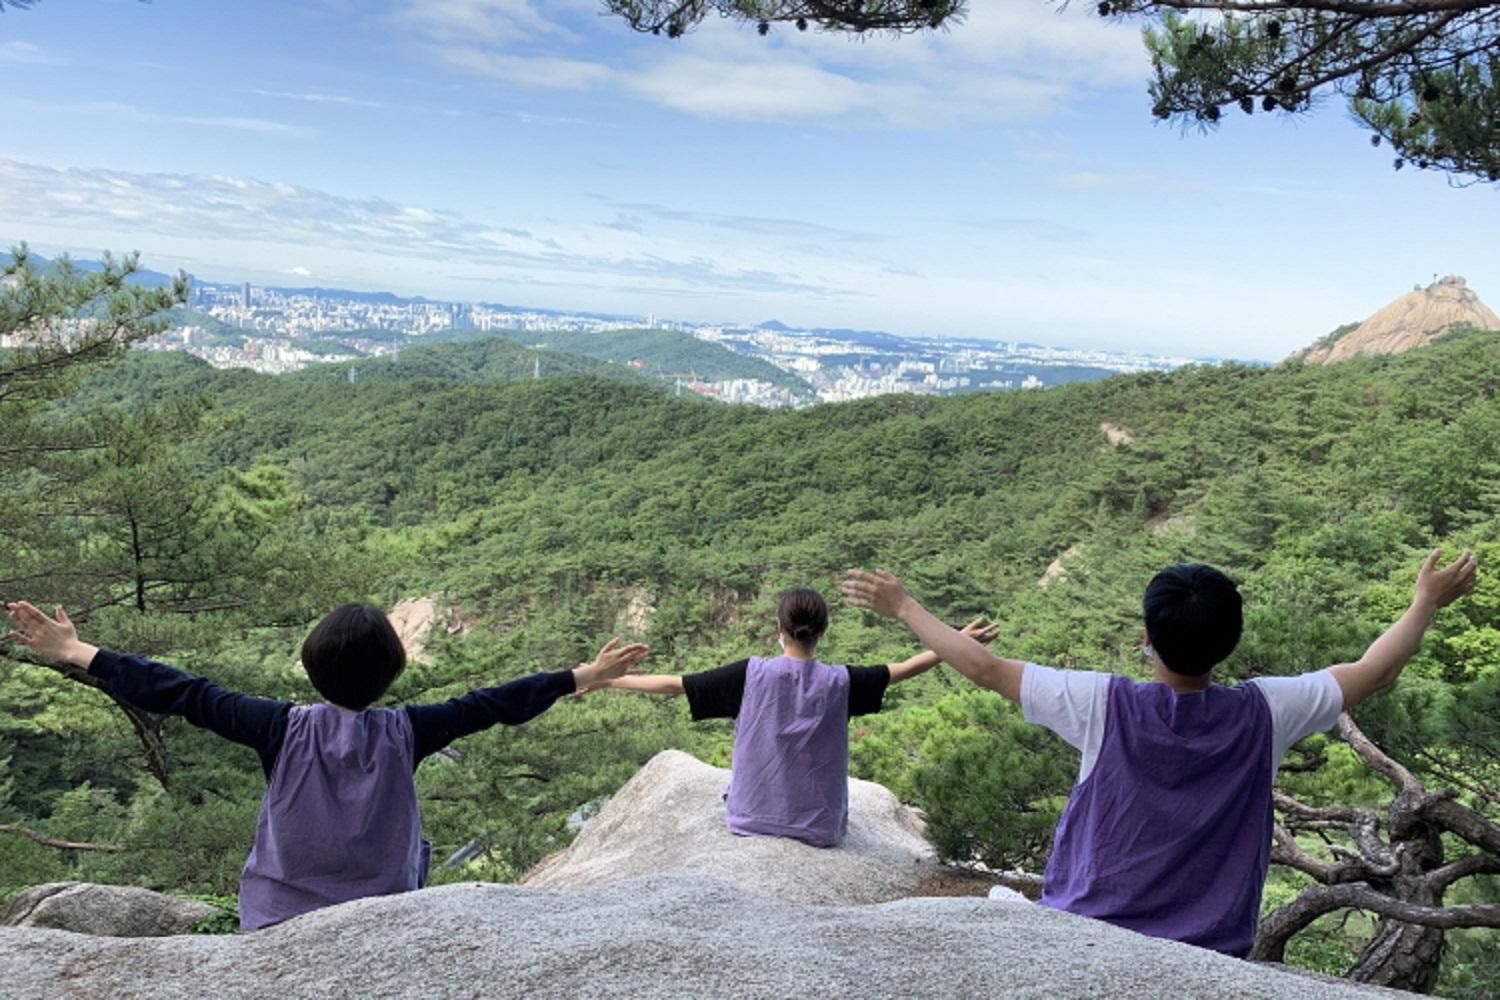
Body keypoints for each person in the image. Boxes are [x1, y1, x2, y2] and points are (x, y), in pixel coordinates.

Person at [842, 549, 1477, 957]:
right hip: (1212, 947)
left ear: (1147, 638)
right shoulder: (1267, 710)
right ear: (1230, 639)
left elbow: (982, 667)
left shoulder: (1102, 703)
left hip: (1088, 929)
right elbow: (1376, 669)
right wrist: (1424, 602)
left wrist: (903, 606)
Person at [4, 600, 648, 931]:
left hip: (278, 918)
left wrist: (78, 650)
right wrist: (579, 675)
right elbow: (492, 704)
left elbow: (181, 691)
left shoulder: (276, 727)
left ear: (310, 666)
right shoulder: (410, 731)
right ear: (393, 673)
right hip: (384, 916)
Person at [585, 586, 999, 847]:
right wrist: (956, 642)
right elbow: (906, 668)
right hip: (819, 827)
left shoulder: (750, 674)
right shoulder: (841, 682)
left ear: (778, 628)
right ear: (823, 630)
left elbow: (676, 685)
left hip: (750, 819)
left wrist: (607, 681)